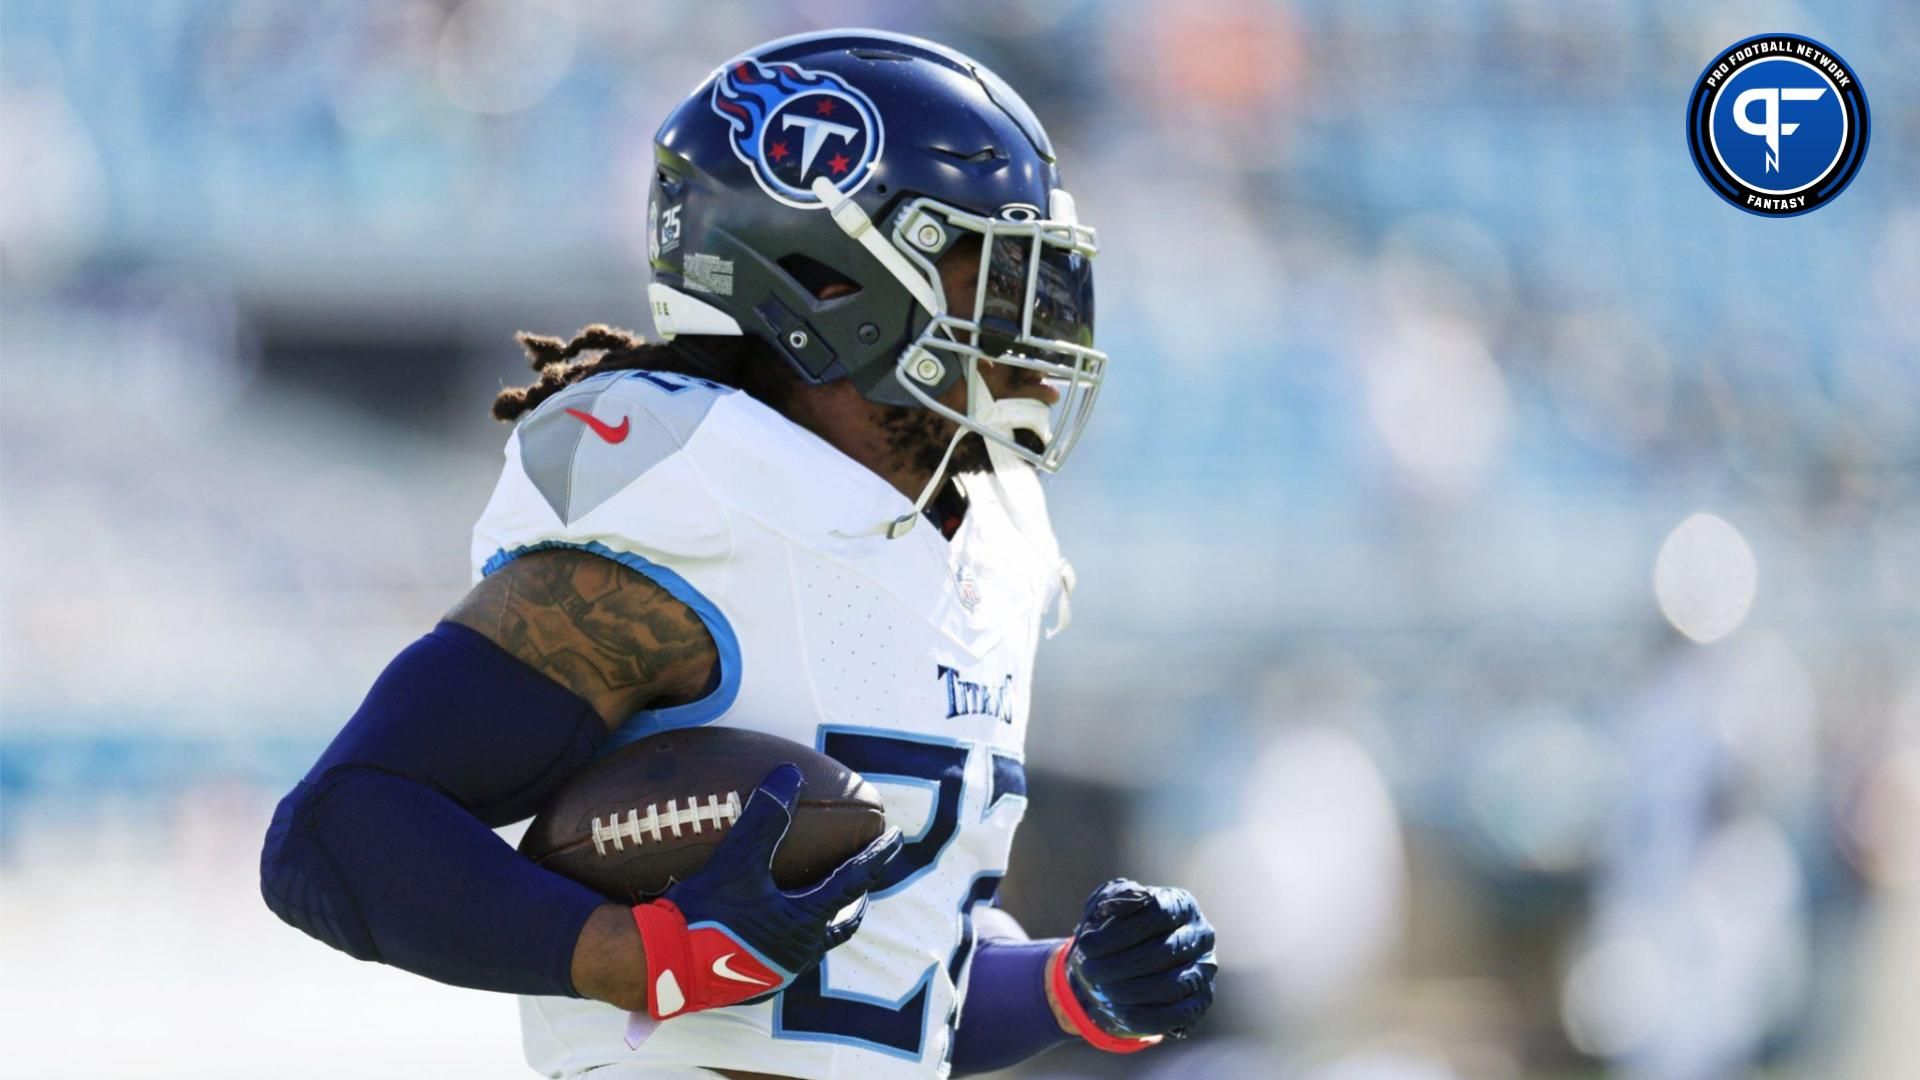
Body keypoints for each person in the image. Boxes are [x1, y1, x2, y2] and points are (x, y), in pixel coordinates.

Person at [260, 29, 1216, 1078]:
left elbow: (881, 996)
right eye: (986, 264)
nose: (1035, 314)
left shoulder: (991, 538)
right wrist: (639, 956)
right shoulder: (702, 489)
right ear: (828, 282)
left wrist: (1065, 987)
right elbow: (336, 829)